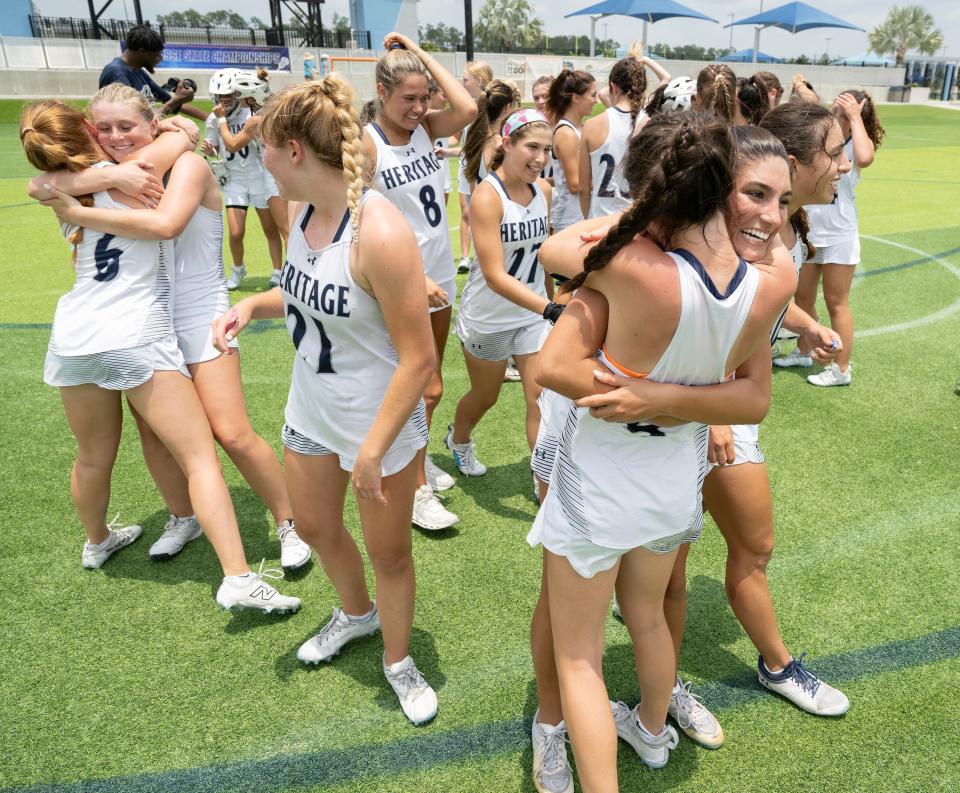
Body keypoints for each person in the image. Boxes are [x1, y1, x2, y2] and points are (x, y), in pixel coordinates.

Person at [530, 111, 797, 792]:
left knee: (579, 656)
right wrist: (670, 398)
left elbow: (556, 323)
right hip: (674, 485)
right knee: (647, 616)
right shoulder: (773, 280)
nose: (772, 216)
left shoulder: (630, 266)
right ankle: (651, 733)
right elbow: (752, 399)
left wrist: (645, 392)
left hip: (601, 482)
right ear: (718, 188)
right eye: (758, 195)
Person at [211, 76, 439, 725]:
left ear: (292, 149)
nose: (259, 164)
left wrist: (370, 450)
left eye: (264, 151)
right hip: (310, 409)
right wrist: (256, 302)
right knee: (312, 526)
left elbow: (419, 358)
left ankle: (398, 659)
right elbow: (305, 290)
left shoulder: (381, 233)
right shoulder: (301, 209)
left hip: (380, 424)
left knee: (391, 552)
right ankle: (357, 613)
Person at [22, 97, 301, 614]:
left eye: (127, 125)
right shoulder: (120, 172)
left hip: (89, 331)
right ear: (88, 128)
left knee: (192, 440)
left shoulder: (71, 183)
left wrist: (83, 201)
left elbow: (41, 185)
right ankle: (226, 565)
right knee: (194, 454)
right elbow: (154, 170)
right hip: (139, 327)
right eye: (104, 127)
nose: (116, 134)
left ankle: (101, 539)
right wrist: (174, 136)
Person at [361, 33, 477, 530]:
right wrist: (408, 278)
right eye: (407, 97)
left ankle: (416, 459)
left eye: (423, 96)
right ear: (381, 91)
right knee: (417, 386)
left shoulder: (429, 128)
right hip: (402, 280)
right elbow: (355, 222)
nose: (418, 107)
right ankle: (414, 487)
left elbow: (468, 106)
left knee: (431, 386)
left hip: (441, 272)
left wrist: (419, 52)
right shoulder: (367, 143)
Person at [447, 110, 553, 483]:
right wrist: (550, 307)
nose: (540, 158)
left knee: (540, 398)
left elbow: (544, 256)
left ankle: (546, 489)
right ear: (507, 144)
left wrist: (549, 300)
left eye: (546, 149)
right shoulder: (487, 197)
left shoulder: (544, 190)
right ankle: (458, 439)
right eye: (532, 147)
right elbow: (494, 275)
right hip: (488, 317)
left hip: (532, 317)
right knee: (485, 395)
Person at [779, 91, 884, 387]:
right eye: (836, 109)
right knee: (802, 298)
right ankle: (804, 350)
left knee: (837, 302)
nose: (837, 114)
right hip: (812, 229)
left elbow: (865, 157)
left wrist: (854, 117)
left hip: (839, 233)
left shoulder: (853, 144)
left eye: (844, 111)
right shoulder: (824, 142)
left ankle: (841, 368)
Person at [202, 69, 285, 291]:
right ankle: (238, 269)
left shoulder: (250, 116)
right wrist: (211, 151)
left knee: (271, 228)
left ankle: (278, 271)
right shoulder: (213, 120)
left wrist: (221, 120)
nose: (224, 100)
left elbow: (233, 143)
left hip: (258, 174)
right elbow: (219, 147)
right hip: (234, 178)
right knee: (236, 232)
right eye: (220, 96)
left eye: (229, 95)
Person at [579, 55, 651, 220]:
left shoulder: (591, 125)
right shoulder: (650, 124)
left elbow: (583, 188)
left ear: (613, 87)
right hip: (632, 225)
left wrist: (588, 220)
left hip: (597, 222)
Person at [98, 24, 206, 121]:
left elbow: (169, 100)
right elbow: (136, 122)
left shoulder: (137, 70)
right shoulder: (116, 73)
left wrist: (212, 119)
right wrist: (175, 101)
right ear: (142, 51)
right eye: (157, 55)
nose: (160, 58)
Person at [454, 61, 494, 273]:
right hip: (469, 168)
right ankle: (466, 257)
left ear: (479, 81)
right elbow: (466, 145)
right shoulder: (469, 108)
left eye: (466, 80)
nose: (463, 84)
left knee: (486, 213)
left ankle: (487, 258)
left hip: (482, 170)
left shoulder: (487, 106)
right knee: (467, 212)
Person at [545, 69, 596, 232]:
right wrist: (608, 182)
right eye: (592, 95)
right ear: (575, 98)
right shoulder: (566, 133)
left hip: (580, 213)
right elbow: (575, 184)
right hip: (571, 217)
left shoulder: (579, 128)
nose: (596, 101)